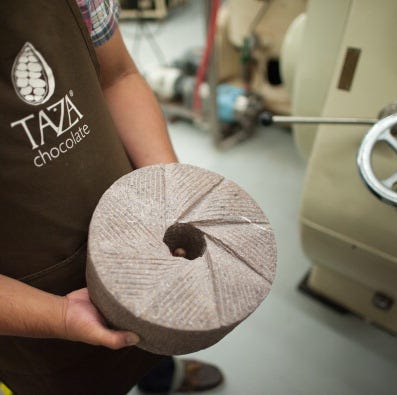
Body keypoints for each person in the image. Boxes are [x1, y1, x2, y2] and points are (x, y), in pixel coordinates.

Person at [0, 0, 223, 393]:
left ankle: (163, 379)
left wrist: (166, 186)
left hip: (139, 226)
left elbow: (118, 76)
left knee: (155, 334)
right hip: (32, 298)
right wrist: (60, 317)